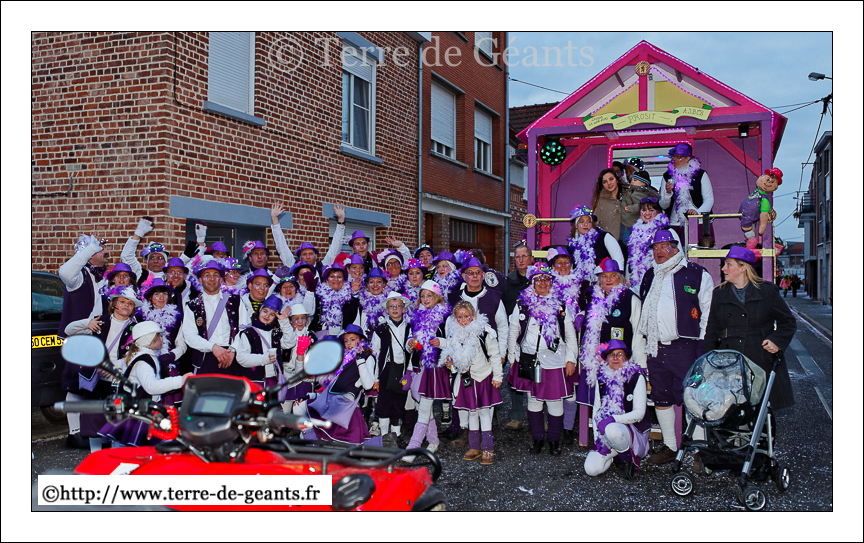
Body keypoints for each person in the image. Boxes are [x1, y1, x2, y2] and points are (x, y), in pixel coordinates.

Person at [637, 229, 713, 470]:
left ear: (676, 247)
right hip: (655, 347)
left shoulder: (696, 273)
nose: (659, 251)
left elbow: (708, 310)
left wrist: (702, 344)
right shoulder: (650, 274)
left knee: (693, 397)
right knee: (661, 396)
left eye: (664, 246)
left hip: (685, 347)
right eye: (655, 247)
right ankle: (670, 447)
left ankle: (700, 451)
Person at [704, 246, 797, 412]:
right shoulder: (719, 293)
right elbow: (712, 330)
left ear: (743, 268)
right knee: (728, 409)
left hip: (759, 358)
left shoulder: (767, 291)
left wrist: (776, 341)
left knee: (761, 411)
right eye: (724, 264)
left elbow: (788, 322)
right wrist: (707, 362)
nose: (723, 269)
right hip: (728, 360)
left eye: (729, 264)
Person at [506, 263, 578, 456]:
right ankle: (537, 440)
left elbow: (570, 336)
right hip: (530, 359)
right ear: (532, 282)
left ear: (551, 282)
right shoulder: (522, 304)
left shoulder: (562, 305)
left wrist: (571, 360)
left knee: (555, 402)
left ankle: (554, 441)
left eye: (546, 279)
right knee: (534, 400)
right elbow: (513, 331)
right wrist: (512, 357)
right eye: (538, 279)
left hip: (555, 361)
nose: (542, 283)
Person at [65, 286, 141, 452]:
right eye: (122, 301)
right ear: (113, 304)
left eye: (130, 303)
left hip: (119, 382)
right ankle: (95, 457)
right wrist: (87, 323)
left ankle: (114, 460)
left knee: (117, 424)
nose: (126, 305)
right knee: (93, 423)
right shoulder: (100, 322)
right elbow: (68, 330)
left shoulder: (136, 328)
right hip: (96, 381)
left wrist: (115, 367)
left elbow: (138, 354)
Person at [99, 321, 191, 447]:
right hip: (140, 414)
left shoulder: (137, 355)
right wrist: (181, 380)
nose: (162, 339)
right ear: (149, 340)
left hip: (134, 410)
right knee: (137, 451)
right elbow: (151, 387)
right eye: (159, 336)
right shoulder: (144, 361)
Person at [57, 235, 109, 448]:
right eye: (100, 250)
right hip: (78, 337)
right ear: (89, 254)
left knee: (90, 382)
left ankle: (88, 430)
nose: (105, 253)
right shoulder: (78, 277)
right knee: (75, 384)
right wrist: (89, 249)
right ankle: (74, 433)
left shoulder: (101, 276)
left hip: (96, 338)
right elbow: (64, 272)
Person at [441, 301, 502, 466]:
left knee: (484, 413)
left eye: (466, 316)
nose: (463, 320)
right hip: (467, 378)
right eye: (459, 317)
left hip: (483, 377)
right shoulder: (455, 336)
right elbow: (456, 363)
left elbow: (494, 354)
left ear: (473, 316)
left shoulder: (484, 332)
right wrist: (451, 365)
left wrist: (498, 376)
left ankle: (488, 448)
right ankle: (474, 447)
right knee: (471, 413)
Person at [293, 324, 376, 445]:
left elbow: (368, 385)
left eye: (352, 339)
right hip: (330, 400)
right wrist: (311, 396)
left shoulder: (367, 358)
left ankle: (313, 442)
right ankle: (312, 441)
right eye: (346, 341)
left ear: (362, 340)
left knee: (347, 447)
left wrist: (360, 360)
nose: (349, 343)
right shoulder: (342, 359)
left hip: (344, 404)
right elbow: (331, 386)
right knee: (298, 406)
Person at [583, 340, 650, 478]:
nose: (615, 358)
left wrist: (613, 419)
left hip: (632, 431)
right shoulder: (601, 379)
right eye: (611, 354)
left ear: (626, 357)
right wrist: (597, 439)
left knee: (612, 429)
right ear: (606, 358)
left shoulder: (637, 377)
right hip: (607, 435)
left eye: (620, 354)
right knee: (591, 469)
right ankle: (617, 453)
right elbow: (597, 409)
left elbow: (639, 413)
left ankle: (627, 459)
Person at [402, 281, 451, 461]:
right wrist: (410, 343)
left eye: (429, 296)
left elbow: (454, 341)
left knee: (423, 409)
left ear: (437, 297)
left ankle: (413, 448)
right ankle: (433, 441)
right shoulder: (416, 316)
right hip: (419, 366)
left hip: (434, 368)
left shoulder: (446, 317)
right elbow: (411, 342)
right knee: (423, 405)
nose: (425, 299)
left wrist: (441, 342)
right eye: (422, 296)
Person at [182, 260, 249, 376]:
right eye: (207, 275)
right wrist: (213, 347)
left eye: (215, 275)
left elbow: (246, 329)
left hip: (233, 358)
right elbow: (189, 335)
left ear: (221, 279)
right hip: (205, 359)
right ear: (200, 280)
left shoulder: (236, 301)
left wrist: (233, 349)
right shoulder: (192, 306)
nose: (212, 279)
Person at [370, 292, 414, 446]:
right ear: (386, 310)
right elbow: (375, 353)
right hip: (386, 370)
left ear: (404, 309)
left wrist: (409, 372)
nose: (395, 309)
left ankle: (396, 435)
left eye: (398, 306)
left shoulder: (409, 328)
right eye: (391, 307)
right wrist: (376, 378)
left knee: (398, 402)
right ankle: (383, 436)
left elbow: (410, 352)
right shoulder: (380, 329)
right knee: (384, 403)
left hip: (401, 369)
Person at [500, 242, 535, 431]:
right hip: (515, 336)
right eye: (518, 257)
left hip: (536, 337)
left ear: (531, 258)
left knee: (538, 377)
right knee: (515, 374)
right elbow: (504, 311)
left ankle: (538, 415)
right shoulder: (508, 283)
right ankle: (516, 415)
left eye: (524, 256)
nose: (521, 260)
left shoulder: (540, 279)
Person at [137, 278, 187, 405]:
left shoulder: (177, 318)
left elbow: (182, 344)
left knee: (170, 407)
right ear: (150, 298)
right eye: (157, 294)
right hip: (148, 366)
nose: (161, 298)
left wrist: (171, 355)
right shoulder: (141, 318)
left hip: (170, 366)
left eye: (164, 294)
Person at [660, 143, 714, 243]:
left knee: (698, 250)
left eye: (678, 157)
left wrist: (698, 213)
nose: (674, 159)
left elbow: (709, 199)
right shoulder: (667, 176)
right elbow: (663, 205)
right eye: (673, 156)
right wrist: (667, 193)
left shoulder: (700, 175)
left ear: (688, 158)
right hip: (675, 223)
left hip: (698, 222)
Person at [235, 295, 293, 387]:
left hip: (274, 381)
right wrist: (264, 359)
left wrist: (284, 322)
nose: (267, 316)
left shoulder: (276, 332)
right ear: (260, 310)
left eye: (272, 314)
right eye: (265, 311)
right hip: (254, 382)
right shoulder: (248, 332)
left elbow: (290, 343)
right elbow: (241, 358)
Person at [568, 205, 625, 282]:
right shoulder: (573, 243)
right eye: (582, 222)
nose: (586, 224)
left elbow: (618, 258)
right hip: (583, 284)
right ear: (576, 225)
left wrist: (618, 280)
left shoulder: (604, 237)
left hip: (605, 282)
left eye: (589, 221)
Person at [279, 304, 319, 406]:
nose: (300, 322)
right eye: (296, 319)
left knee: (301, 409)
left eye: (303, 318)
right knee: (285, 410)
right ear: (290, 320)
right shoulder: (285, 336)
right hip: (288, 378)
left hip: (305, 380)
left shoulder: (311, 336)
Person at [626, 197, 670, 289]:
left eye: (651, 210)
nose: (647, 213)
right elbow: (632, 257)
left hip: (659, 276)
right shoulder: (635, 230)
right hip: (639, 277)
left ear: (658, 211)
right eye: (644, 210)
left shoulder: (664, 230)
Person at [739, 168, 783, 251]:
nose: (768, 182)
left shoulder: (764, 200)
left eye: (772, 182)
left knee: (749, 232)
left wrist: (762, 228)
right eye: (767, 179)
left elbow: (764, 214)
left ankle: (751, 241)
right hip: (746, 216)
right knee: (749, 228)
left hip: (748, 219)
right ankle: (750, 240)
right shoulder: (757, 193)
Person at [313, 263, 360, 337]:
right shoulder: (319, 298)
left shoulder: (351, 300)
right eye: (332, 276)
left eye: (339, 277)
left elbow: (355, 322)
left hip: (344, 338)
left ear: (344, 281)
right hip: (321, 338)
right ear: (327, 280)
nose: (336, 279)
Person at [621, 169, 660, 239]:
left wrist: (630, 208)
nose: (632, 182)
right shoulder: (633, 191)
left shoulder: (639, 193)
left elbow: (641, 205)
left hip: (633, 221)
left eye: (635, 180)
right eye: (631, 180)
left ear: (643, 183)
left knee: (627, 238)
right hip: (628, 220)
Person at [591, 168, 626, 240]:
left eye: (611, 179)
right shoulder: (601, 201)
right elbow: (595, 223)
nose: (609, 183)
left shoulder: (628, 196)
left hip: (630, 240)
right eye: (605, 182)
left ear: (617, 179)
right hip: (611, 242)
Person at [359, 267, 391, 338]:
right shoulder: (361, 302)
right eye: (371, 282)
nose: (375, 285)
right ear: (367, 285)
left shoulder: (390, 302)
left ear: (384, 284)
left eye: (379, 282)